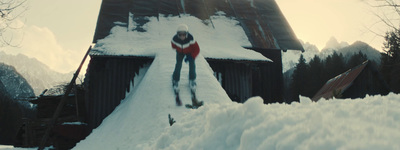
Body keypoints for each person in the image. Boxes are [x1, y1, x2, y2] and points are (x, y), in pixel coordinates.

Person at [171, 24, 200, 92]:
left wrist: (192, 56)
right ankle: (175, 79)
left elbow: (197, 49)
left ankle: (192, 79)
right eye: (180, 35)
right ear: (178, 34)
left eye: (184, 34)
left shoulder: (191, 38)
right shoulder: (174, 39)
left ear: (186, 34)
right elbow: (173, 46)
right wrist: (179, 51)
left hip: (189, 52)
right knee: (178, 64)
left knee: (192, 64)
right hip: (180, 52)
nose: (182, 36)